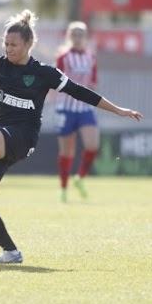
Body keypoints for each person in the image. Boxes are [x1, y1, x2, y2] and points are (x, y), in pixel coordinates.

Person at [0, 9, 143, 264]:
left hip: (24, 137)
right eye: (6, 44)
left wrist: (117, 110)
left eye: (14, 45)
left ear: (29, 44)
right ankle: (11, 252)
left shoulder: (43, 73)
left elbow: (79, 91)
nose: (9, 49)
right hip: (4, 137)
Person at [54, 21, 99, 203]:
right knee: (67, 150)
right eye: (75, 34)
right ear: (69, 37)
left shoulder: (91, 57)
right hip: (65, 108)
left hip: (84, 108)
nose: (78, 38)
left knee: (93, 144)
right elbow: (56, 81)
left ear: (86, 37)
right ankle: (64, 189)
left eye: (81, 34)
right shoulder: (63, 57)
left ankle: (80, 177)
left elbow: (94, 82)